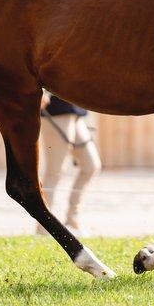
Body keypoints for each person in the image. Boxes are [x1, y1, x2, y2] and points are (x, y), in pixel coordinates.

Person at [38, 92, 101, 236]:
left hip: (74, 110)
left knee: (91, 166)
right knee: (54, 172)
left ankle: (72, 219)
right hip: (56, 109)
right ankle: (43, 228)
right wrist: (42, 92)